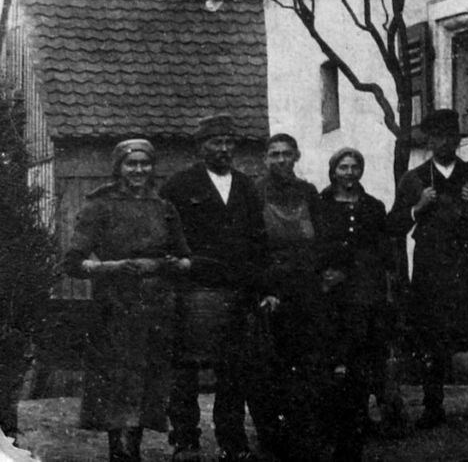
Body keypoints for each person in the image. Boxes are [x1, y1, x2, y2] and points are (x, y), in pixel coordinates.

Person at [66, 139, 190, 462]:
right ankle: (121, 454)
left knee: (147, 383)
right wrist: (113, 267)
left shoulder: (164, 208)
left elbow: (184, 257)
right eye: (131, 163)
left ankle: (131, 449)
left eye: (144, 164)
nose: (138, 170)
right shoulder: (99, 206)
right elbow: (73, 263)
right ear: (118, 167)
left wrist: (167, 264)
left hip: (156, 308)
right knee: (118, 383)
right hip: (114, 308)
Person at [386, 109, 468, 427]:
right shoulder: (414, 179)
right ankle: (433, 407)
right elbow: (393, 225)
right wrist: (417, 208)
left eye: (450, 137)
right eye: (437, 137)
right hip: (431, 269)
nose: (444, 143)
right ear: (428, 141)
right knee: (431, 337)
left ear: (458, 140)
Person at [163, 114, 269, 462]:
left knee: (234, 370)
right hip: (194, 291)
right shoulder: (179, 186)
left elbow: (259, 240)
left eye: (228, 142)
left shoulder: (246, 186)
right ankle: (185, 440)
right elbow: (166, 235)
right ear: (200, 147)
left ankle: (232, 441)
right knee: (186, 370)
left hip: (238, 293)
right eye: (215, 142)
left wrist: (259, 286)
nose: (224, 149)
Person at [310, 149, 393, 462]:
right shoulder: (320, 203)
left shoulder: (373, 206)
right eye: (343, 167)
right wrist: (327, 272)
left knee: (361, 357)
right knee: (333, 356)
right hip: (332, 289)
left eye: (354, 167)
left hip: (365, 289)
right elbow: (316, 243)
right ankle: (331, 425)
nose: (349, 172)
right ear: (333, 171)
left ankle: (357, 423)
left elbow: (382, 248)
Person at [253, 134, 325, 460]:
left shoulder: (308, 192)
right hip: (272, 291)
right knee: (270, 366)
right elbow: (252, 246)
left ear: (296, 156)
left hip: (307, 289)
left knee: (308, 362)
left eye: (286, 153)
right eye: (274, 154)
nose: (281, 159)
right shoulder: (255, 193)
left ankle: (306, 433)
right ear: (265, 159)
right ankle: (272, 437)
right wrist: (264, 289)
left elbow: (322, 237)